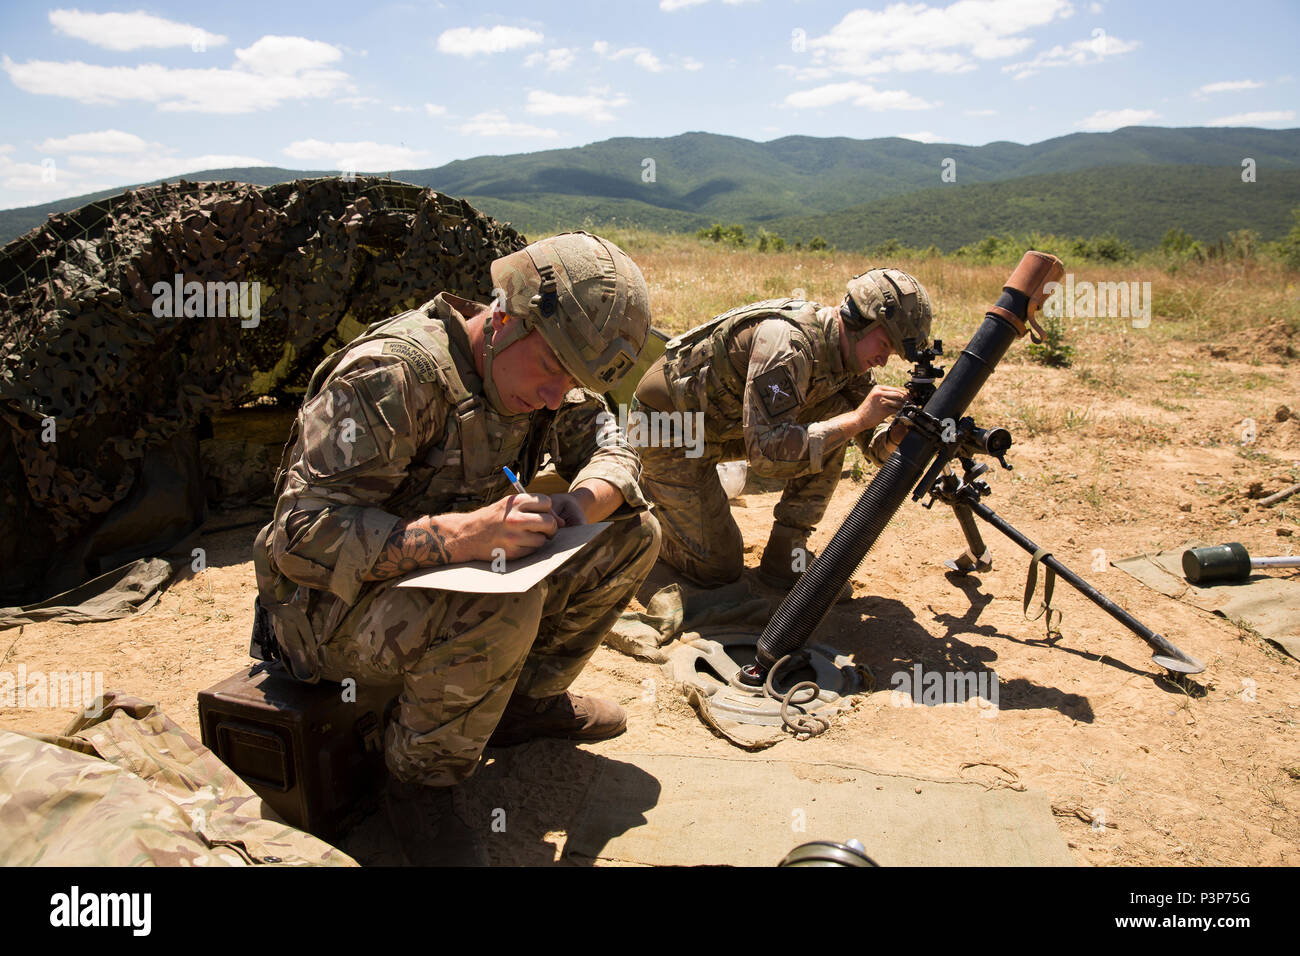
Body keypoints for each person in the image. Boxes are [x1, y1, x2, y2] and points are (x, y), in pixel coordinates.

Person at [252, 231, 659, 862]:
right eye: (553, 372)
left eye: (572, 380)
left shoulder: (546, 358)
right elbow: (301, 538)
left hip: (440, 578)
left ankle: (522, 705)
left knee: (632, 535)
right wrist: (465, 535)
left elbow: (615, 448)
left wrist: (575, 506)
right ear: (502, 317)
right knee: (501, 604)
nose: (558, 396)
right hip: (325, 611)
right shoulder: (391, 374)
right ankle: (418, 788)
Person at [634, 268, 932, 590]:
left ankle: (786, 555)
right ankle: (637, 525)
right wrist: (858, 419)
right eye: (885, 344)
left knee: (836, 419)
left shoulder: (848, 359)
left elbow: (874, 449)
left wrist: (893, 435)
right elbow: (768, 453)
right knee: (718, 568)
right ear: (859, 321)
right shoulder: (788, 344)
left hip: (725, 427)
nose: (884, 361)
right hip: (668, 429)